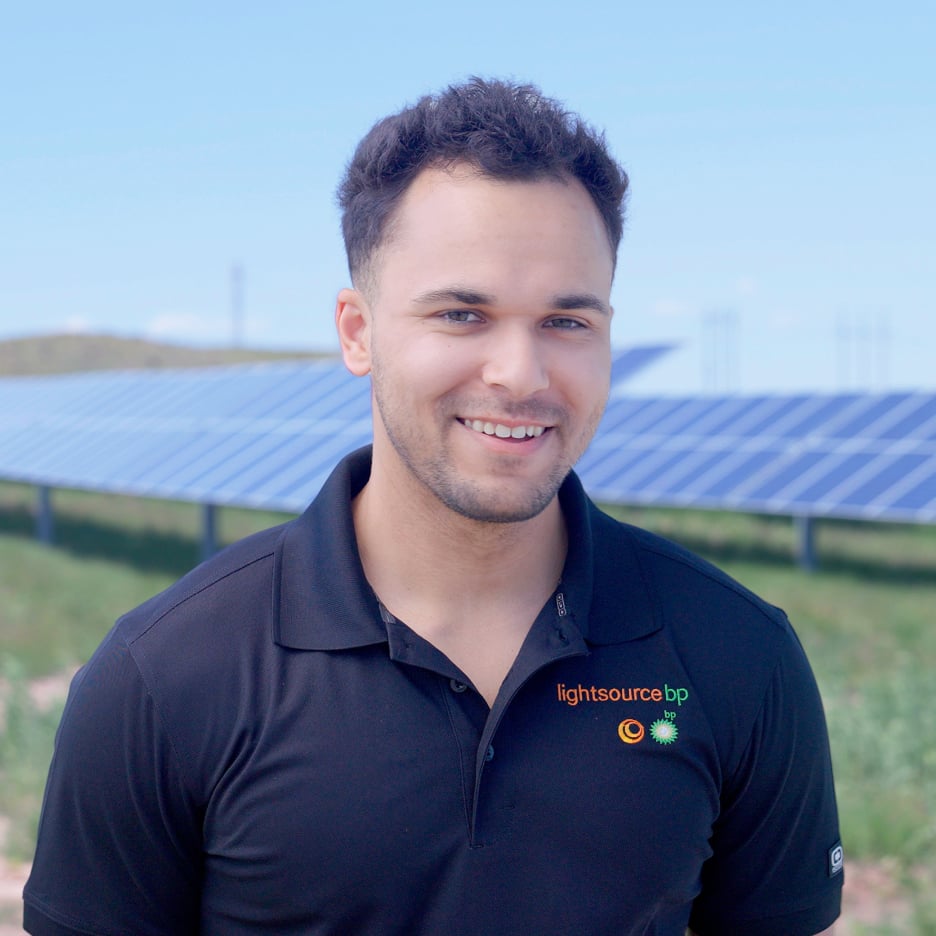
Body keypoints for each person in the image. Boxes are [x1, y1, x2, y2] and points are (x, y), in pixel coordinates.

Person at [24, 78, 843, 935]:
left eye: (568, 322)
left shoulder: (738, 655)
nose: (520, 375)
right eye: (462, 314)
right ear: (357, 332)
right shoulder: (166, 675)